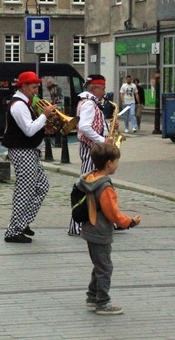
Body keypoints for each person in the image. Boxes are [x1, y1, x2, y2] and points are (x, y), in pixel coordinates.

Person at [77, 143, 141, 315]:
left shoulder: (90, 178)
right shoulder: (104, 187)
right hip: (100, 231)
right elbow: (112, 213)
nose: (118, 165)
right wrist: (130, 222)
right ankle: (102, 302)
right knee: (105, 267)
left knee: (99, 264)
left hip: (90, 228)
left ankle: (92, 296)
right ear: (109, 163)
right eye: (117, 161)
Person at [1, 71, 56, 243]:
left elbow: (33, 128)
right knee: (24, 190)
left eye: (37, 86)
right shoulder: (18, 105)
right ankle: (13, 230)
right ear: (23, 87)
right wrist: (44, 115)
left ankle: (22, 222)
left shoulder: (27, 103)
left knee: (42, 186)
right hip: (21, 151)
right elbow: (29, 129)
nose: (36, 90)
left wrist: (45, 126)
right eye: (33, 87)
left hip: (29, 150)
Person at [69, 74, 114, 236]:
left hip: (93, 149)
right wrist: (103, 140)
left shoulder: (91, 103)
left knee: (93, 185)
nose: (104, 92)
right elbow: (85, 127)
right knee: (87, 185)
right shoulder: (89, 104)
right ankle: (76, 225)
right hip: (91, 149)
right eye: (102, 88)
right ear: (94, 88)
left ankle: (99, 220)